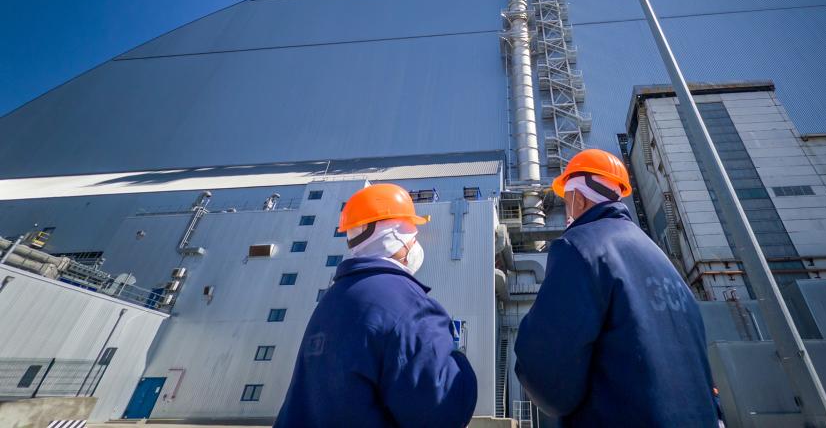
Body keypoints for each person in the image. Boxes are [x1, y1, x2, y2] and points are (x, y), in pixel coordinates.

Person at [514, 148, 718, 427]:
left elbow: (547, 374)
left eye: (566, 201)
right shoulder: (662, 261)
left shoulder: (580, 247)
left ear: (577, 197)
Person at [274, 183, 477, 428]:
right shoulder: (408, 305)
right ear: (397, 237)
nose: (415, 245)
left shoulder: (332, 301)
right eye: (413, 236)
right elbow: (444, 411)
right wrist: (457, 357)